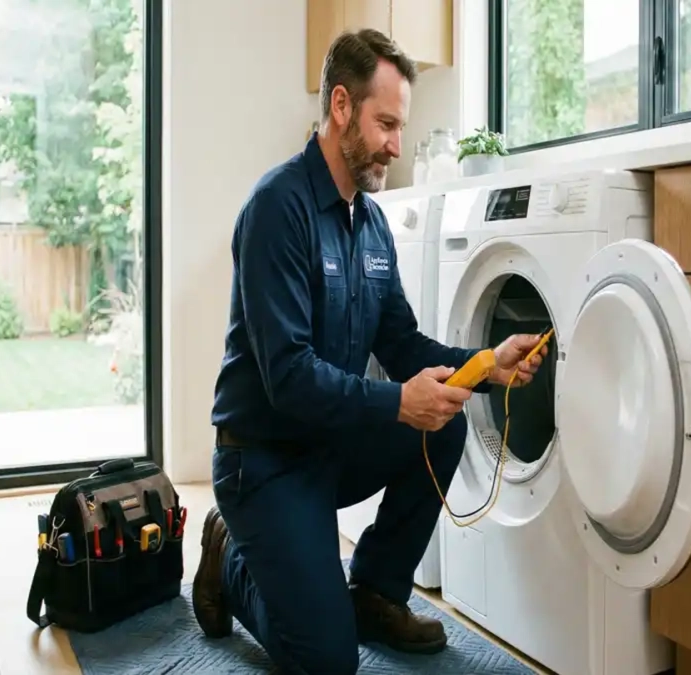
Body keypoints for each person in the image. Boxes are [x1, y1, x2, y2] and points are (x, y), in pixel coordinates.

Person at [193, 28, 547, 674]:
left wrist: (487, 365)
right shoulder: (278, 210)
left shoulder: (373, 224)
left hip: (328, 445)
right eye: (385, 123)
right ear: (340, 107)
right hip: (264, 460)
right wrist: (397, 403)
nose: (396, 144)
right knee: (328, 661)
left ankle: (375, 592)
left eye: (400, 125)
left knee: (445, 423)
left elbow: (403, 343)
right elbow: (290, 379)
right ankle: (230, 559)